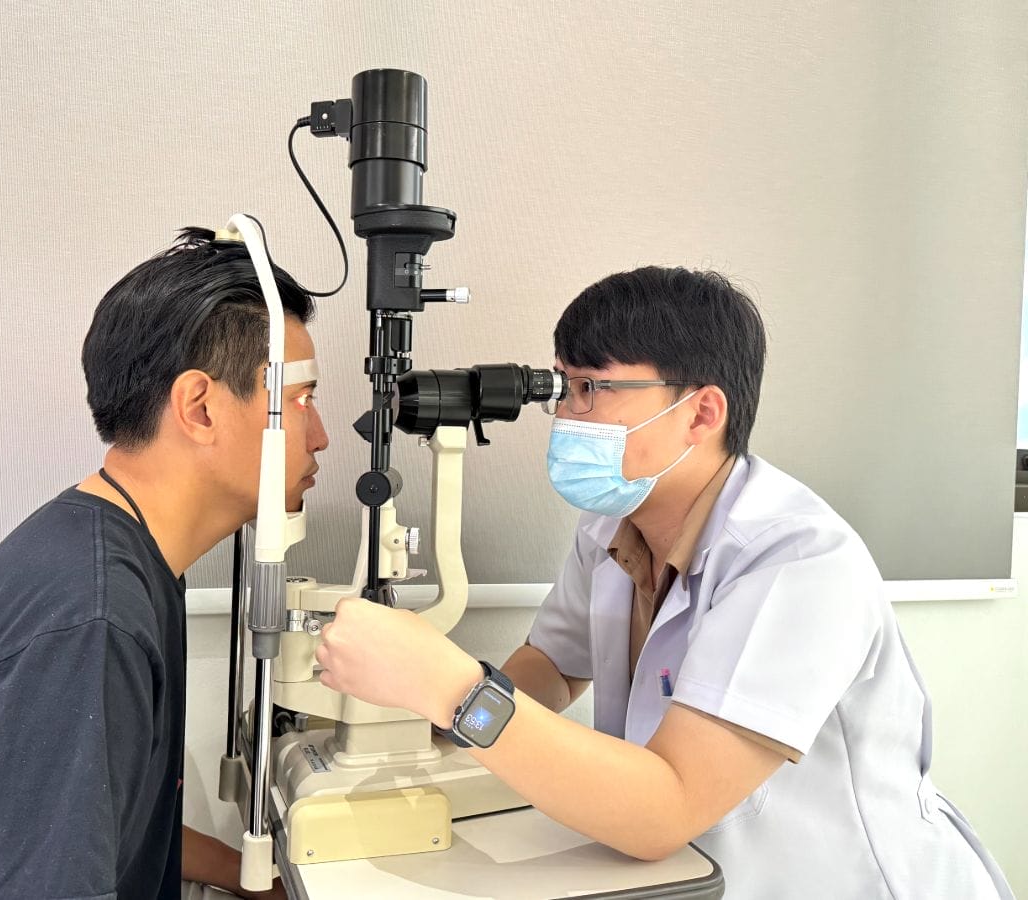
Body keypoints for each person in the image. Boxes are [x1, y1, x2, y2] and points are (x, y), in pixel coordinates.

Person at [315, 266, 1013, 899]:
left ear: (701, 414)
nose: (566, 416)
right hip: (694, 875)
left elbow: (666, 809)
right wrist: (414, 720)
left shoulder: (797, 561)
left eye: (592, 389)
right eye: (562, 387)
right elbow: (554, 666)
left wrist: (453, 689)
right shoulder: (611, 525)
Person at [0, 228, 327, 899]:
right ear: (201, 408)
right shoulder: (88, 621)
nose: (321, 435)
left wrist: (256, 882)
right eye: (300, 400)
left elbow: (89, 823)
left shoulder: (99, 553)